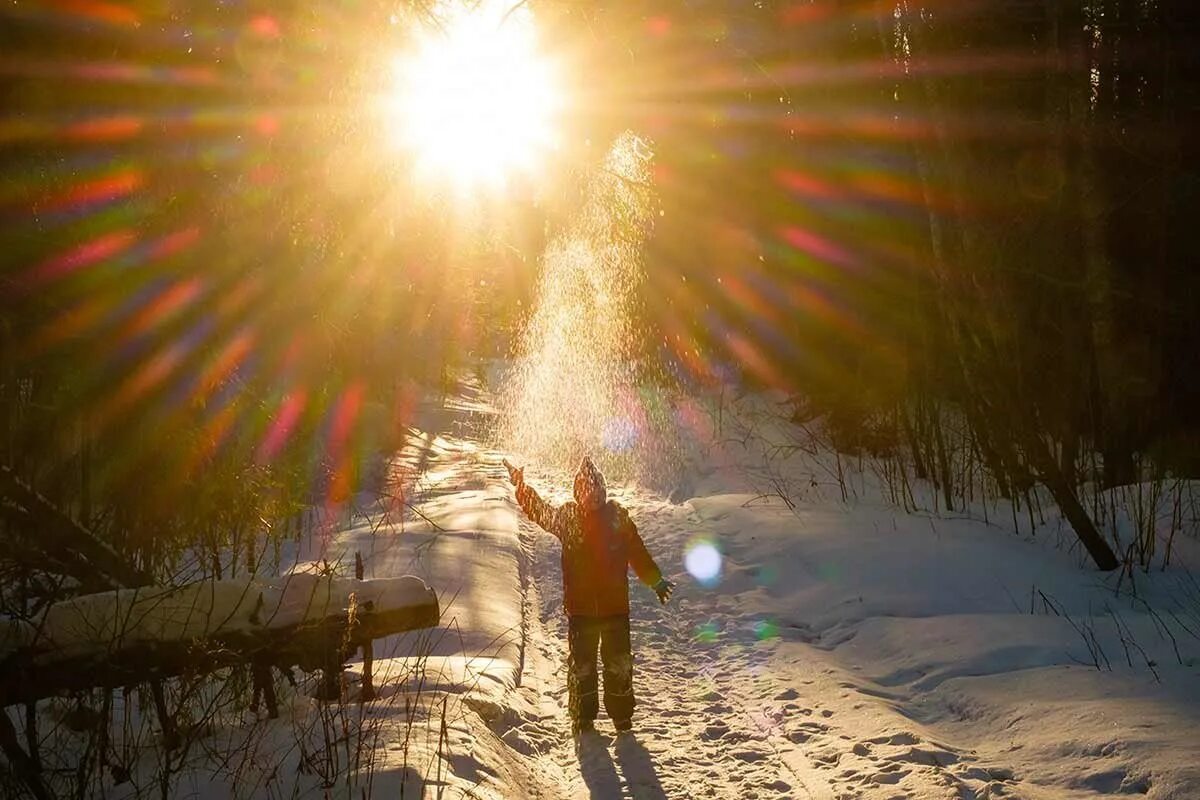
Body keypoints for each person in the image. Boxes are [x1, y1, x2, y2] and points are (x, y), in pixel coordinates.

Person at [503, 456, 674, 736]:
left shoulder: (618, 519)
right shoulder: (569, 519)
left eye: (597, 492)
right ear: (577, 494)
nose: (592, 497)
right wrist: (521, 487)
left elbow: (638, 554)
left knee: (619, 665)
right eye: (586, 492)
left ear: (604, 493)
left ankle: (622, 719)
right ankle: (582, 718)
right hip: (581, 613)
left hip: (615, 611)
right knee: (582, 668)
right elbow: (539, 511)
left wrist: (656, 581)